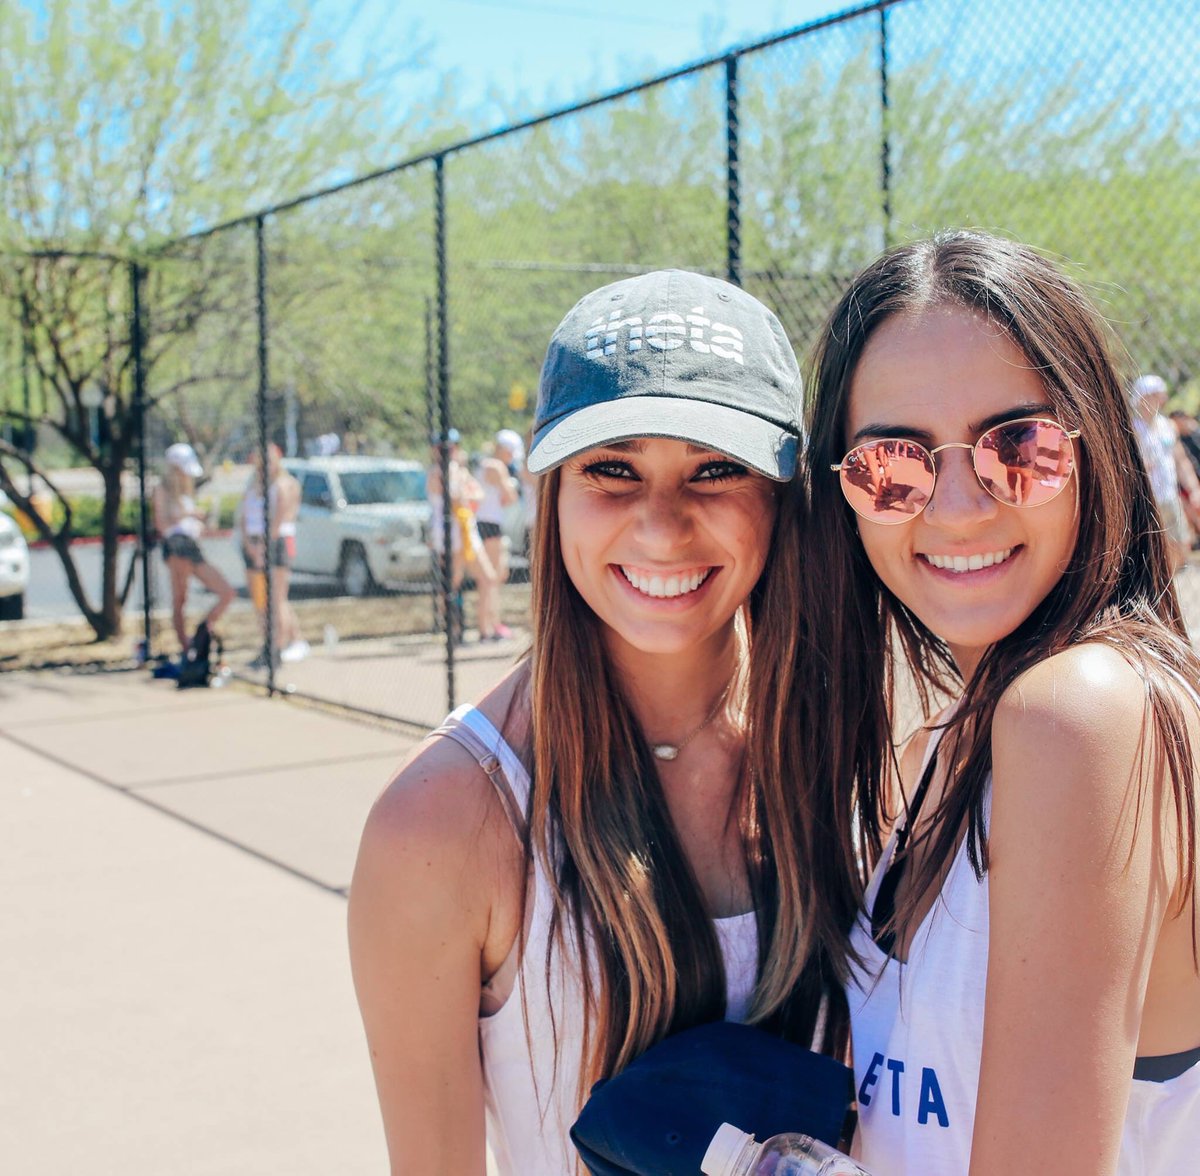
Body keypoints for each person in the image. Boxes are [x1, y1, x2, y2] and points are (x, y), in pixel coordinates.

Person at [348, 270, 858, 1174]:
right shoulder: (441, 821)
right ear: (551, 494)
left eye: (717, 468)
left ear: (784, 497)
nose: (662, 527)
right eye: (612, 470)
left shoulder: (859, 754)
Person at [802, 231, 1200, 1175]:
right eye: (890, 465)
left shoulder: (1080, 714)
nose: (957, 507)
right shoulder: (951, 737)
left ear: (1098, 450)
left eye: (1020, 446)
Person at [152, 441, 235, 654]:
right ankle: (186, 647)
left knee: (226, 592)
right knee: (180, 598)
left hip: (191, 545)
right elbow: (162, 524)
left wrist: (199, 524)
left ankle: (202, 631)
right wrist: (189, 515)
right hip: (176, 546)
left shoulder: (185, 490)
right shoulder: (162, 490)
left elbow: (186, 522)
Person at [426, 429, 501, 643]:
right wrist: (465, 496)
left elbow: (478, 494)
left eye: (452, 447)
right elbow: (456, 500)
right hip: (449, 536)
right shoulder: (436, 472)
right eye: (443, 448)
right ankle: (453, 632)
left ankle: (485, 631)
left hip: (467, 532)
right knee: (451, 583)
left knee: (488, 578)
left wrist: (465, 495)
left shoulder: (458, 469)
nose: (449, 451)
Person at [239, 442, 307, 668]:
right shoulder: (253, 485)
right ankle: (267, 646)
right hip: (253, 544)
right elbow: (243, 517)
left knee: (277, 599)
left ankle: (281, 647)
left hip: (275, 544)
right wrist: (250, 544)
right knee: (261, 601)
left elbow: (281, 518)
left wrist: (264, 547)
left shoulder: (285, 484)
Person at [1129, 373, 1196, 571]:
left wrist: (1193, 488)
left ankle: (1178, 574)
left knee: (1180, 539)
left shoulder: (1167, 425)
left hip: (1169, 493)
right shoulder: (1133, 429)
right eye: (1156, 395)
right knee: (1155, 542)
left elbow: (1180, 459)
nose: (1162, 399)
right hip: (1148, 497)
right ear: (1143, 397)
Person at [473, 434, 519, 641]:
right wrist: (509, 484)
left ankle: (492, 624)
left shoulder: (484, 464)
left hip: (486, 523)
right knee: (490, 578)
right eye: (511, 452)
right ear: (503, 449)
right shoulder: (496, 466)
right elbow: (510, 497)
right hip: (489, 524)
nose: (512, 457)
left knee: (495, 576)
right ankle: (487, 629)